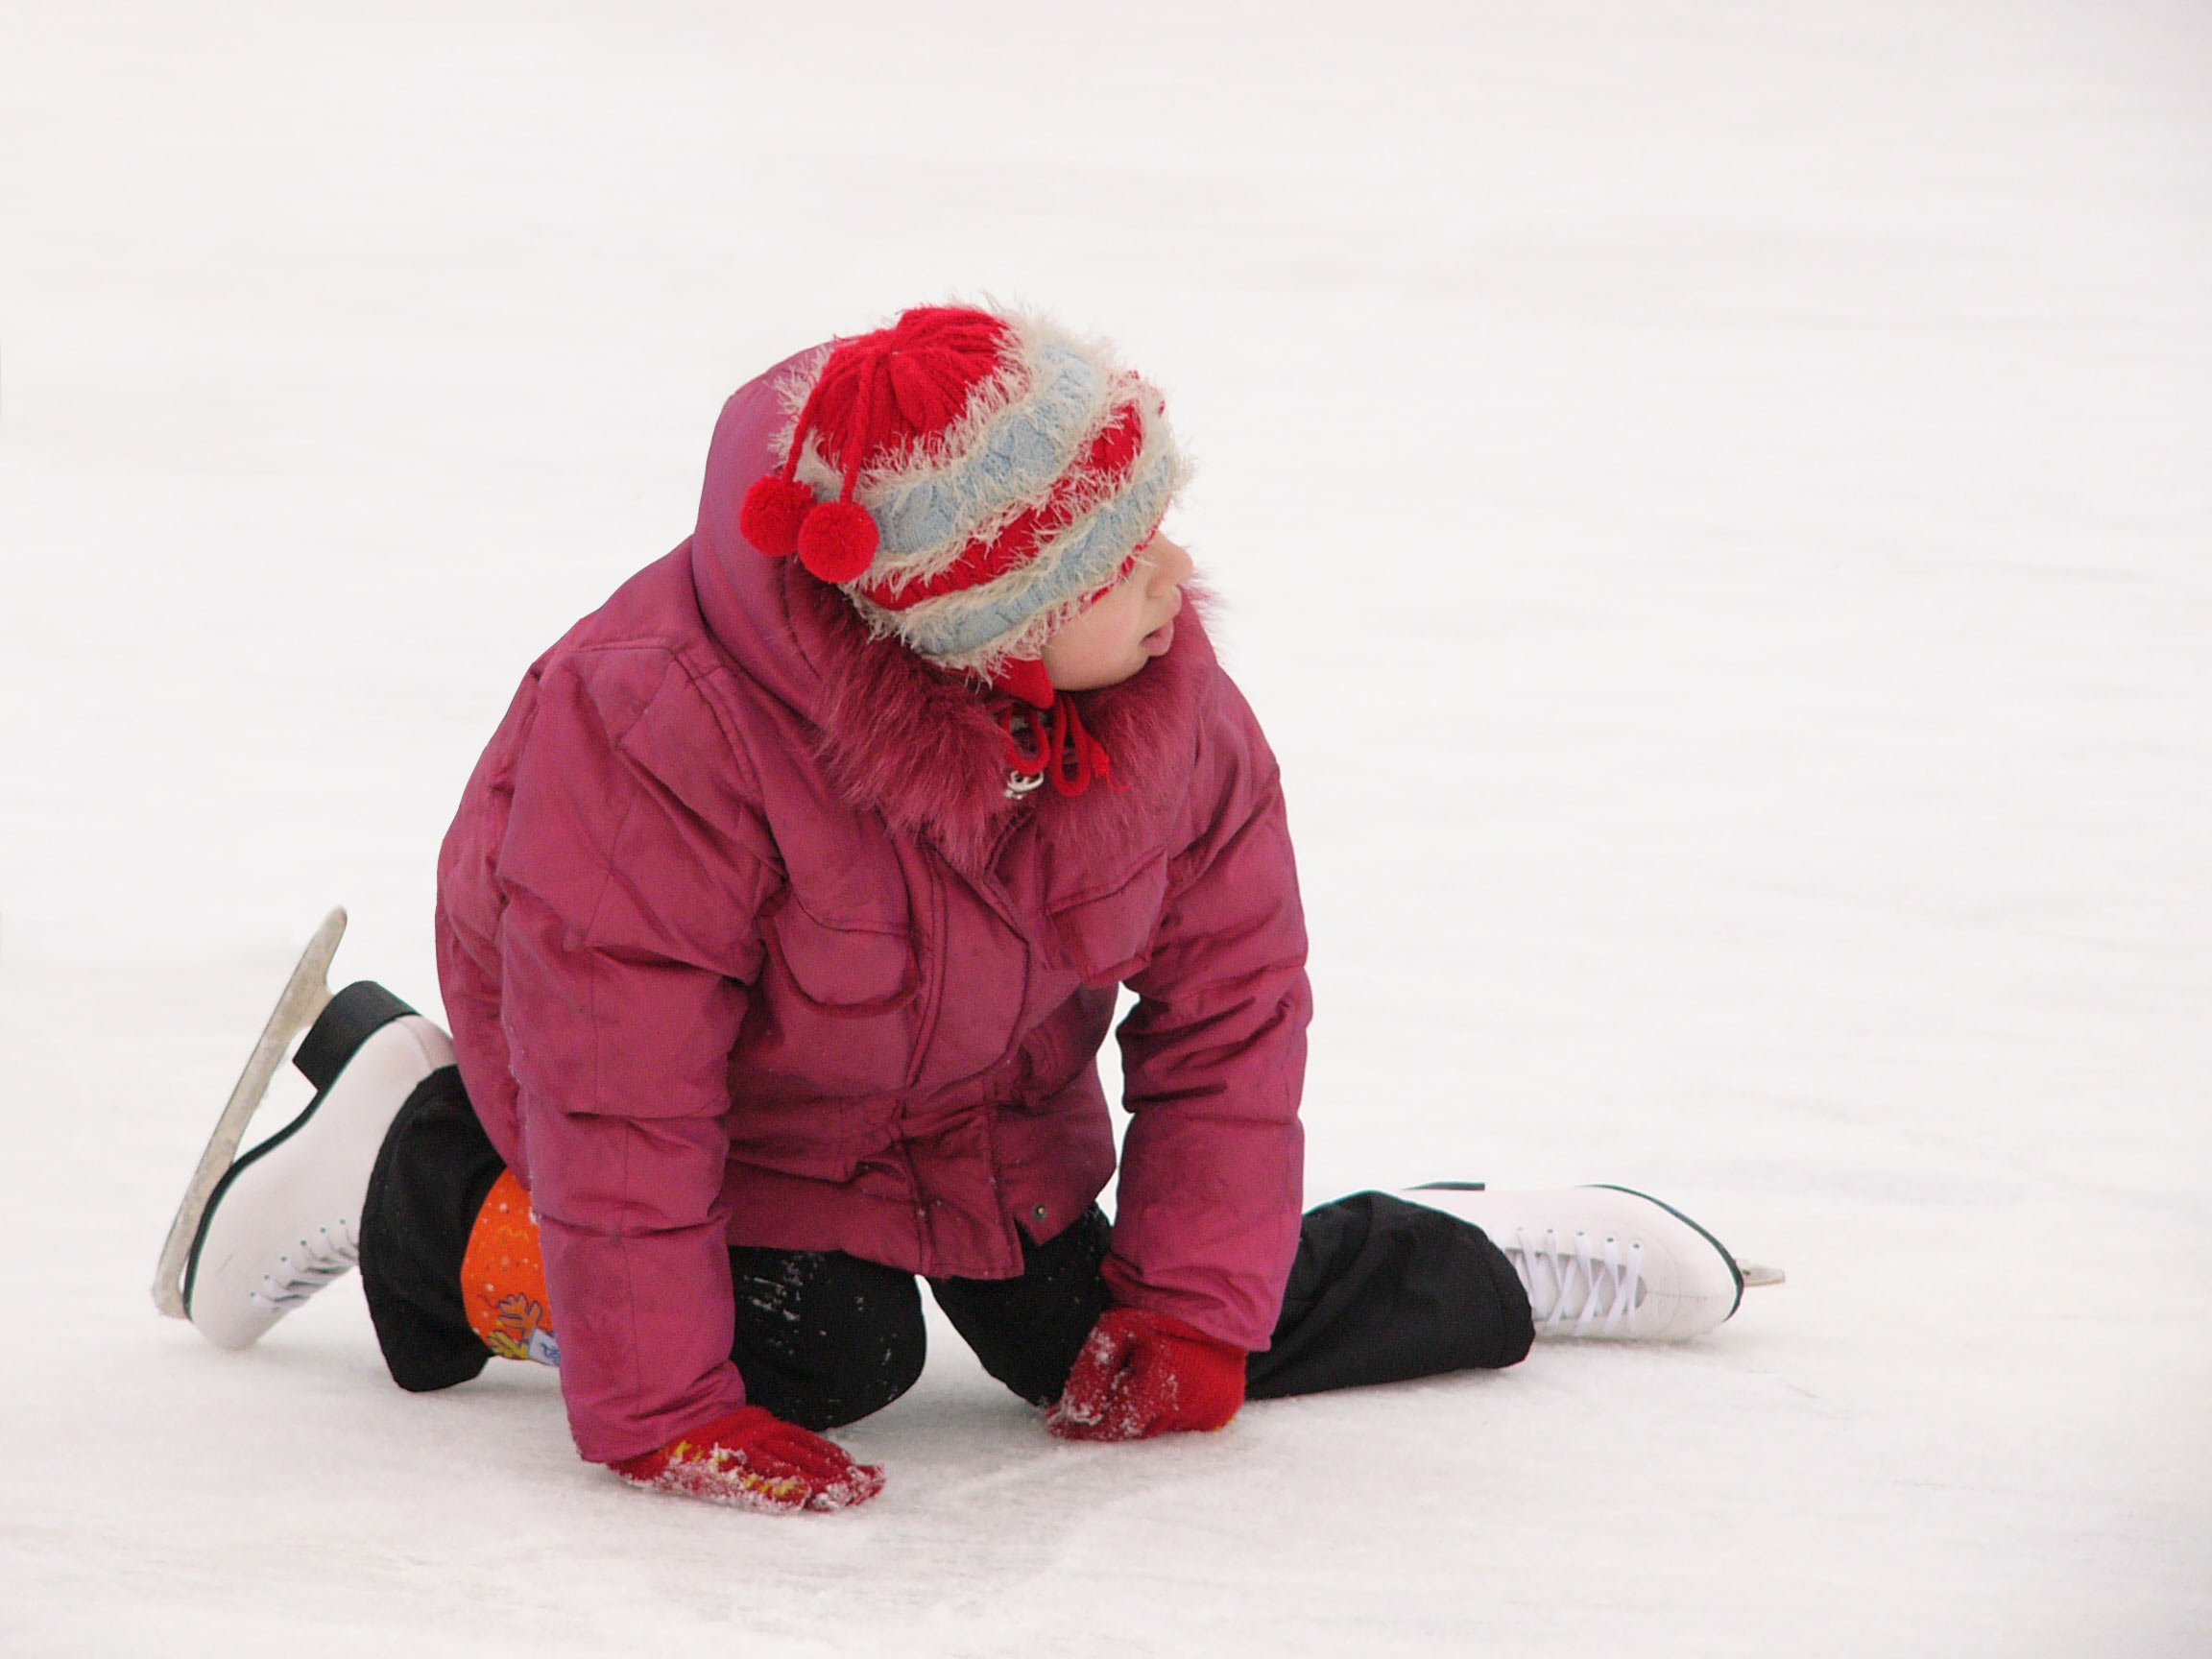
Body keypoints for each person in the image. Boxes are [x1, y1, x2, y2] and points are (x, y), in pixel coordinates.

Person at [173, 304, 1762, 1515]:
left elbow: (1236, 1003)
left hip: (966, 1102)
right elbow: (622, 1086)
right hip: (691, 1099)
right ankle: (420, 1161)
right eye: (1119, 560)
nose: (1177, 575)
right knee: (829, 1352)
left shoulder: (1161, 701)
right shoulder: (664, 731)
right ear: (980, 625)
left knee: (1124, 1340)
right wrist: (664, 1410)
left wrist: (1200, 1311)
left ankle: (1478, 1256)